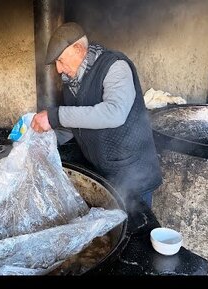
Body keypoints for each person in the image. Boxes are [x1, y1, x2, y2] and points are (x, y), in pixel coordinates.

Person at [30, 22, 162, 210]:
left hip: (132, 175)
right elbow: (77, 122)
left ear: (77, 49)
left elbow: (115, 112)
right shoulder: (73, 81)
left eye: (60, 60)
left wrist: (55, 116)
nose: (59, 69)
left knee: (133, 230)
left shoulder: (115, 66)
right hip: (103, 173)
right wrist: (45, 142)